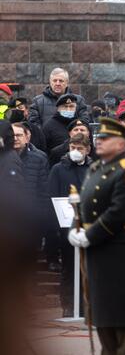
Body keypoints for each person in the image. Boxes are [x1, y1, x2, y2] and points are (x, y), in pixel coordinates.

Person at [68, 118, 125, 355]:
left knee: (121, 317)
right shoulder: (95, 169)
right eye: (98, 138)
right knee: (102, 315)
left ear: (121, 145)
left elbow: (119, 212)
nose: (98, 141)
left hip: (118, 251)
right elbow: (82, 205)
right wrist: (75, 227)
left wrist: (90, 234)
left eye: (105, 138)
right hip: (97, 251)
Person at [47, 133, 92, 317]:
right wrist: (56, 225)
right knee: (68, 268)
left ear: (88, 150)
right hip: (67, 227)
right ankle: (68, 305)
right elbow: (51, 196)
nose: (76, 151)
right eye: (73, 148)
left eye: (80, 148)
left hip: (89, 227)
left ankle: (86, 305)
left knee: (87, 268)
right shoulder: (59, 169)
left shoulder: (93, 168)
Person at [12, 123, 51, 268]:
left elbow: (43, 190)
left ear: (27, 137)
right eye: (13, 135)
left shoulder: (39, 158)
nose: (16, 139)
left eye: (19, 135)